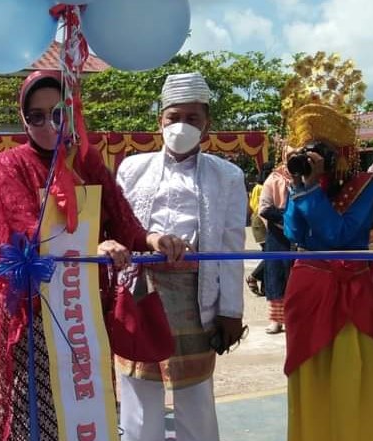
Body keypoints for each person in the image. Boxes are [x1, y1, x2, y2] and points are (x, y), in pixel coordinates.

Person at [0, 70, 187, 441]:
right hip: (33, 320)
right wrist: (90, 249)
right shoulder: (9, 166)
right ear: (24, 119)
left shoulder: (88, 163)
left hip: (81, 317)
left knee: (83, 412)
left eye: (58, 113)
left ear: (73, 112)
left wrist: (155, 240)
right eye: (36, 116)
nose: (48, 124)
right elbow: (27, 233)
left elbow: (125, 225)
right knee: (35, 419)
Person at [116, 72, 246, 441]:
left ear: (207, 125)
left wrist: (231, 311)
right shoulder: (132, 169)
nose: (181, 126)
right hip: (141, 291)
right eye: (174, 118)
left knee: (196, 396)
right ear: (160, 120)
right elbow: (118, 228)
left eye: (193, 119)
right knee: (139, 392)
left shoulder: (228, 176)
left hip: (196, 295)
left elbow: (232, 247)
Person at [282, 103, 373, 441]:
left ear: (343, 153)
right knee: (309, 372)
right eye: (309, 150)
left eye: (322, 151)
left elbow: (339, 234)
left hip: (353, 290)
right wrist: (300, 185)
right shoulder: (303, 184)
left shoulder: (368, 186)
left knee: (352, 373)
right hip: (308, 290)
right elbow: (294, 233)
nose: (314, 158)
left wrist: (308, 194)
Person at [259, 149, 297, 334]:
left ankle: (295, 317)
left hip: (304, 235)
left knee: (297, 275)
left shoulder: (311, 177)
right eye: (291, 156)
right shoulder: (274, 179)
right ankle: (276, 319)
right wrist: (287, 220)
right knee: (276, 275)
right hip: (278, 233)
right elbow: (264, 208)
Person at [246, 162, 273, 296]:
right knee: (271, 254)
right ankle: (254, 276)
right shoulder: (264, 187)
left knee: (268, 253)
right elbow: (264, 208)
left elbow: (252, 204)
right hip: (263, 220)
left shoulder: (256, 186)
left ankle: (265, 287)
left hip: (256, 219)